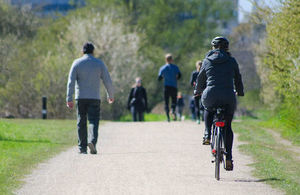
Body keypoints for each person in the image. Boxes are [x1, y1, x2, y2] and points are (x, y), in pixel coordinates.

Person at [194, 36, 244, 170]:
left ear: (213, 47)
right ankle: (229, 158)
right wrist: (240, 91)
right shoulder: (232, 60)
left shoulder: (207, 60)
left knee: (208, 108)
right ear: (227, 47)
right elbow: (237, 78)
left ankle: (207, 134)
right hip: (228, 96)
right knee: (227, 127)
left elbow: (200, 78)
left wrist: (197, 91)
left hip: (211, 94)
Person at [66, 42, 114, 154]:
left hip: (81, 97)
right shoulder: (99, 63)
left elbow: (71, 82)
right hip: (94, 97)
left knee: (81, 121)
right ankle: (92, 141)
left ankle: (82, 148)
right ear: (93, 51)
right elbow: (107, 80)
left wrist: (69, 98)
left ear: (82, 51)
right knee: (93, 120)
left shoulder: (76, 63)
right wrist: (110, 95)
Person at [158, 54, 181, 122]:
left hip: (166, 87)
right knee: (174, 100)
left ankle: (168, 117)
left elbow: (159, 78)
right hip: (174, 86)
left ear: (166, 60)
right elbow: (179, 75)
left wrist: (164, 77)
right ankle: (173, 110)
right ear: (171, 59)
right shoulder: (175, 67)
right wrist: (175, 77)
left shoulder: (163, 68)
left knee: (166, 102)